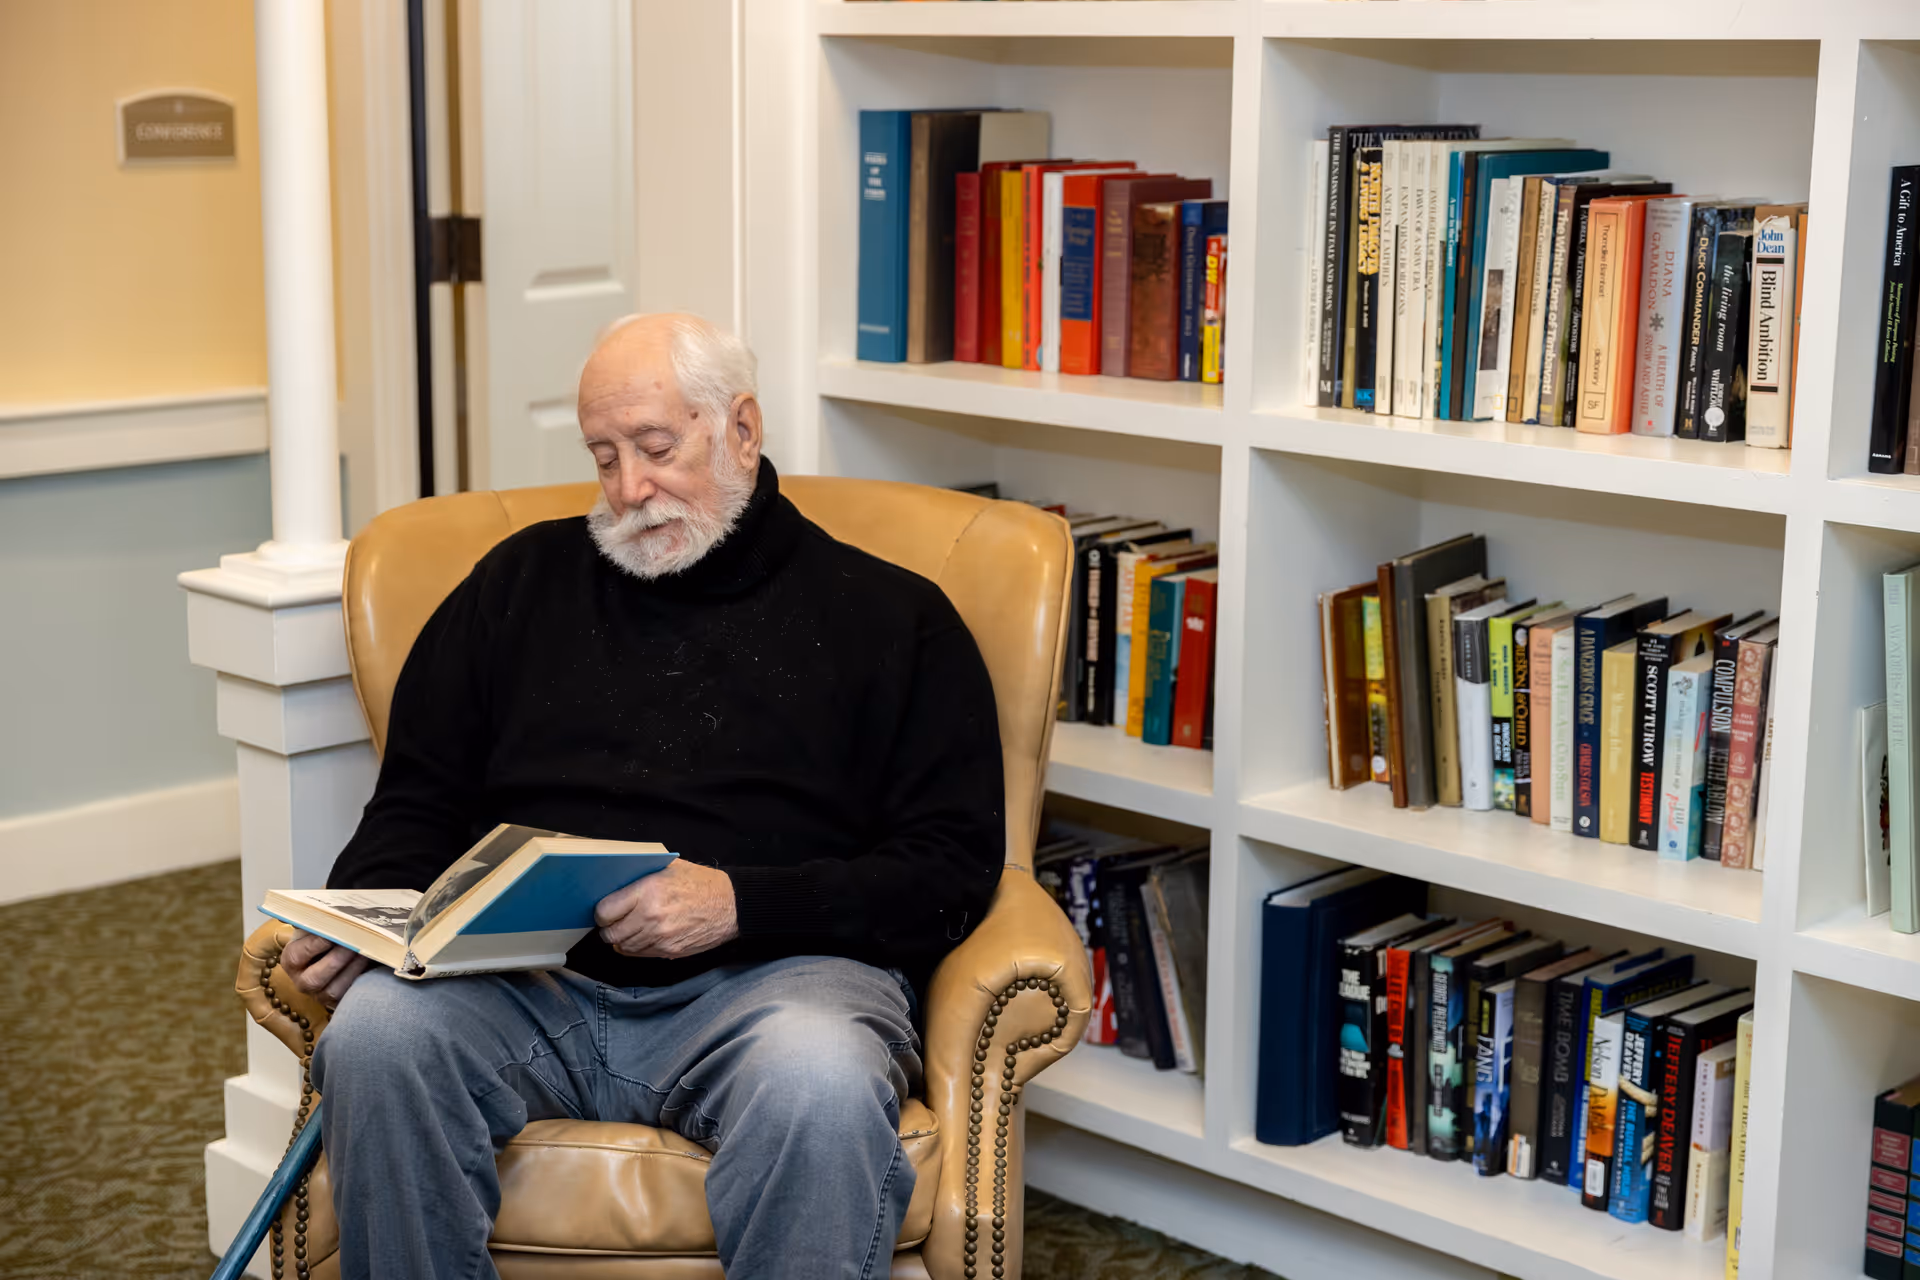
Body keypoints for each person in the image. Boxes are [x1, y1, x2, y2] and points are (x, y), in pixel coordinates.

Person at [278, 312, 1006, 1280]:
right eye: (604, 456)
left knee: (822, 1087)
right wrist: (361, 907)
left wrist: (739, 901)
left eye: (657, 449)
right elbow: (418, 796)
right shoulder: (516, 586)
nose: (629, 490)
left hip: (779, 987)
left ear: (741, 428)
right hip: (530, 983)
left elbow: (948, 869)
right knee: (376, 1036)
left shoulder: (894, 620)